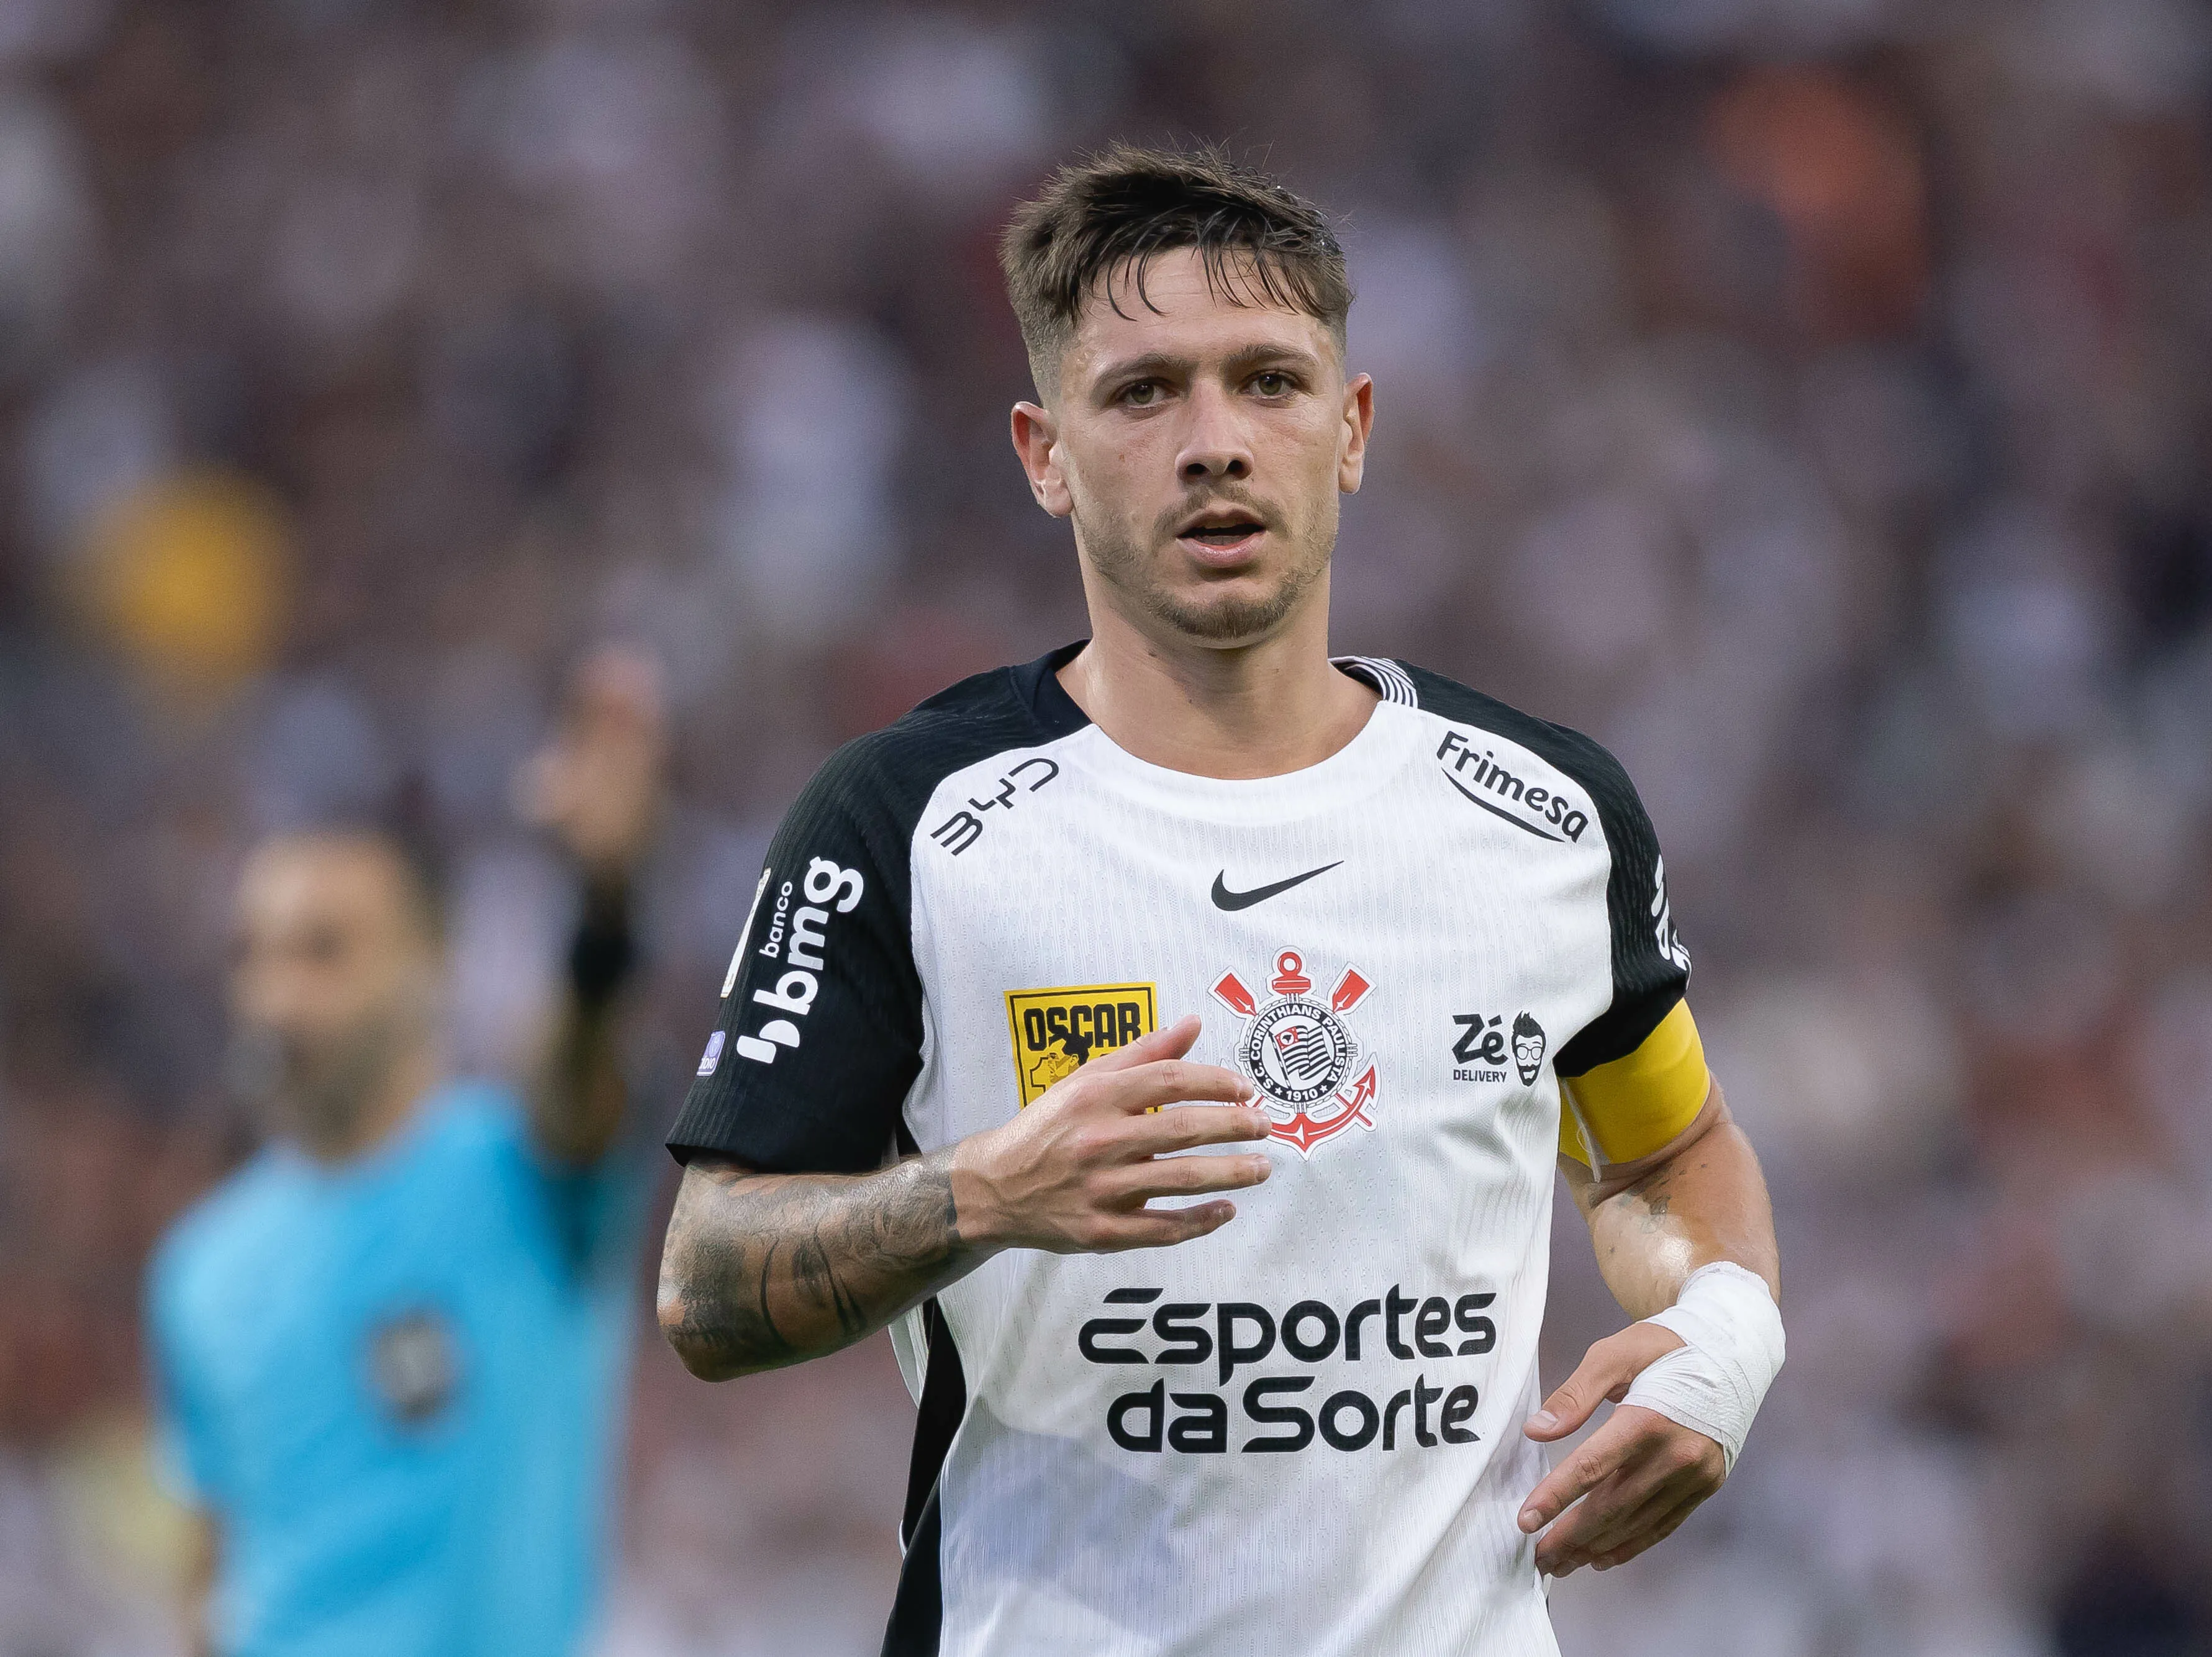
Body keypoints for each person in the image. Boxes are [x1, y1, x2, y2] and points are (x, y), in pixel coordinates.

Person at [657, 146, 1785, 1656]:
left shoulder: (1546, 814)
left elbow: (1664, 1157)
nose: (1215, 443)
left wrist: (1723, 1343)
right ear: (1042, 448)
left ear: (1353, 427)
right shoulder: (901, 822)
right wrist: (983, 1192)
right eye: (1141, 393)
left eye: (1268, 381)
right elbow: (709, 1280)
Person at [146, 651, 668, 1657]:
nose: (277, 997)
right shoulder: (199, 1269)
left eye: (324, 950)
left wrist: (604, 909)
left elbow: (582, 1081)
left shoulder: (523, 1179)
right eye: (252, 954)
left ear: (431, 964)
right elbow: (211, 1580)